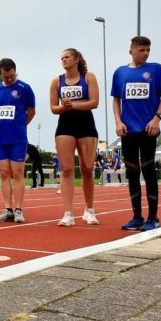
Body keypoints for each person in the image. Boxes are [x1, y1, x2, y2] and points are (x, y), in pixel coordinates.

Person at [113, 36, 161, 232]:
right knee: (132, 173)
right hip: (128, 130)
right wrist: (118, 122)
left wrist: (157, 118)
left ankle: (153, 217)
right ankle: (137, 216)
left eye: (148, 50)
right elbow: (116, 100)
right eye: (142, 50)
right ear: (131, 51)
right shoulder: (120, 73)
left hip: (148, 129)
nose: (146, 53)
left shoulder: (155, 69)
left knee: (148, 171)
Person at [50, 48, 101, 227]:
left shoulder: (89, 77)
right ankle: (68, 213)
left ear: (76, 59)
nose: (63, 60)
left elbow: (94, 102)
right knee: (66, 169)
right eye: (61, 57)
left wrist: (74, 105)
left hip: (86, 125)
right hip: (65, 126)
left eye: (67, 57)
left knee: (87, 168)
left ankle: (89, 210)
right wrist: (64, 107)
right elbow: (53, 108)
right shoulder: (57, 81)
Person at [0, 58, 36, 223]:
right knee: (4, 173)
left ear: (15, 72)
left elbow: (31, 112)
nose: (9, 79)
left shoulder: (25, 88)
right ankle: (7, 208)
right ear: (0, 74)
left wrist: (21, 124)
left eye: (12, 76)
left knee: (17, 173)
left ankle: (18, 209)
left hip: (18, 138)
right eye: (6, 77)